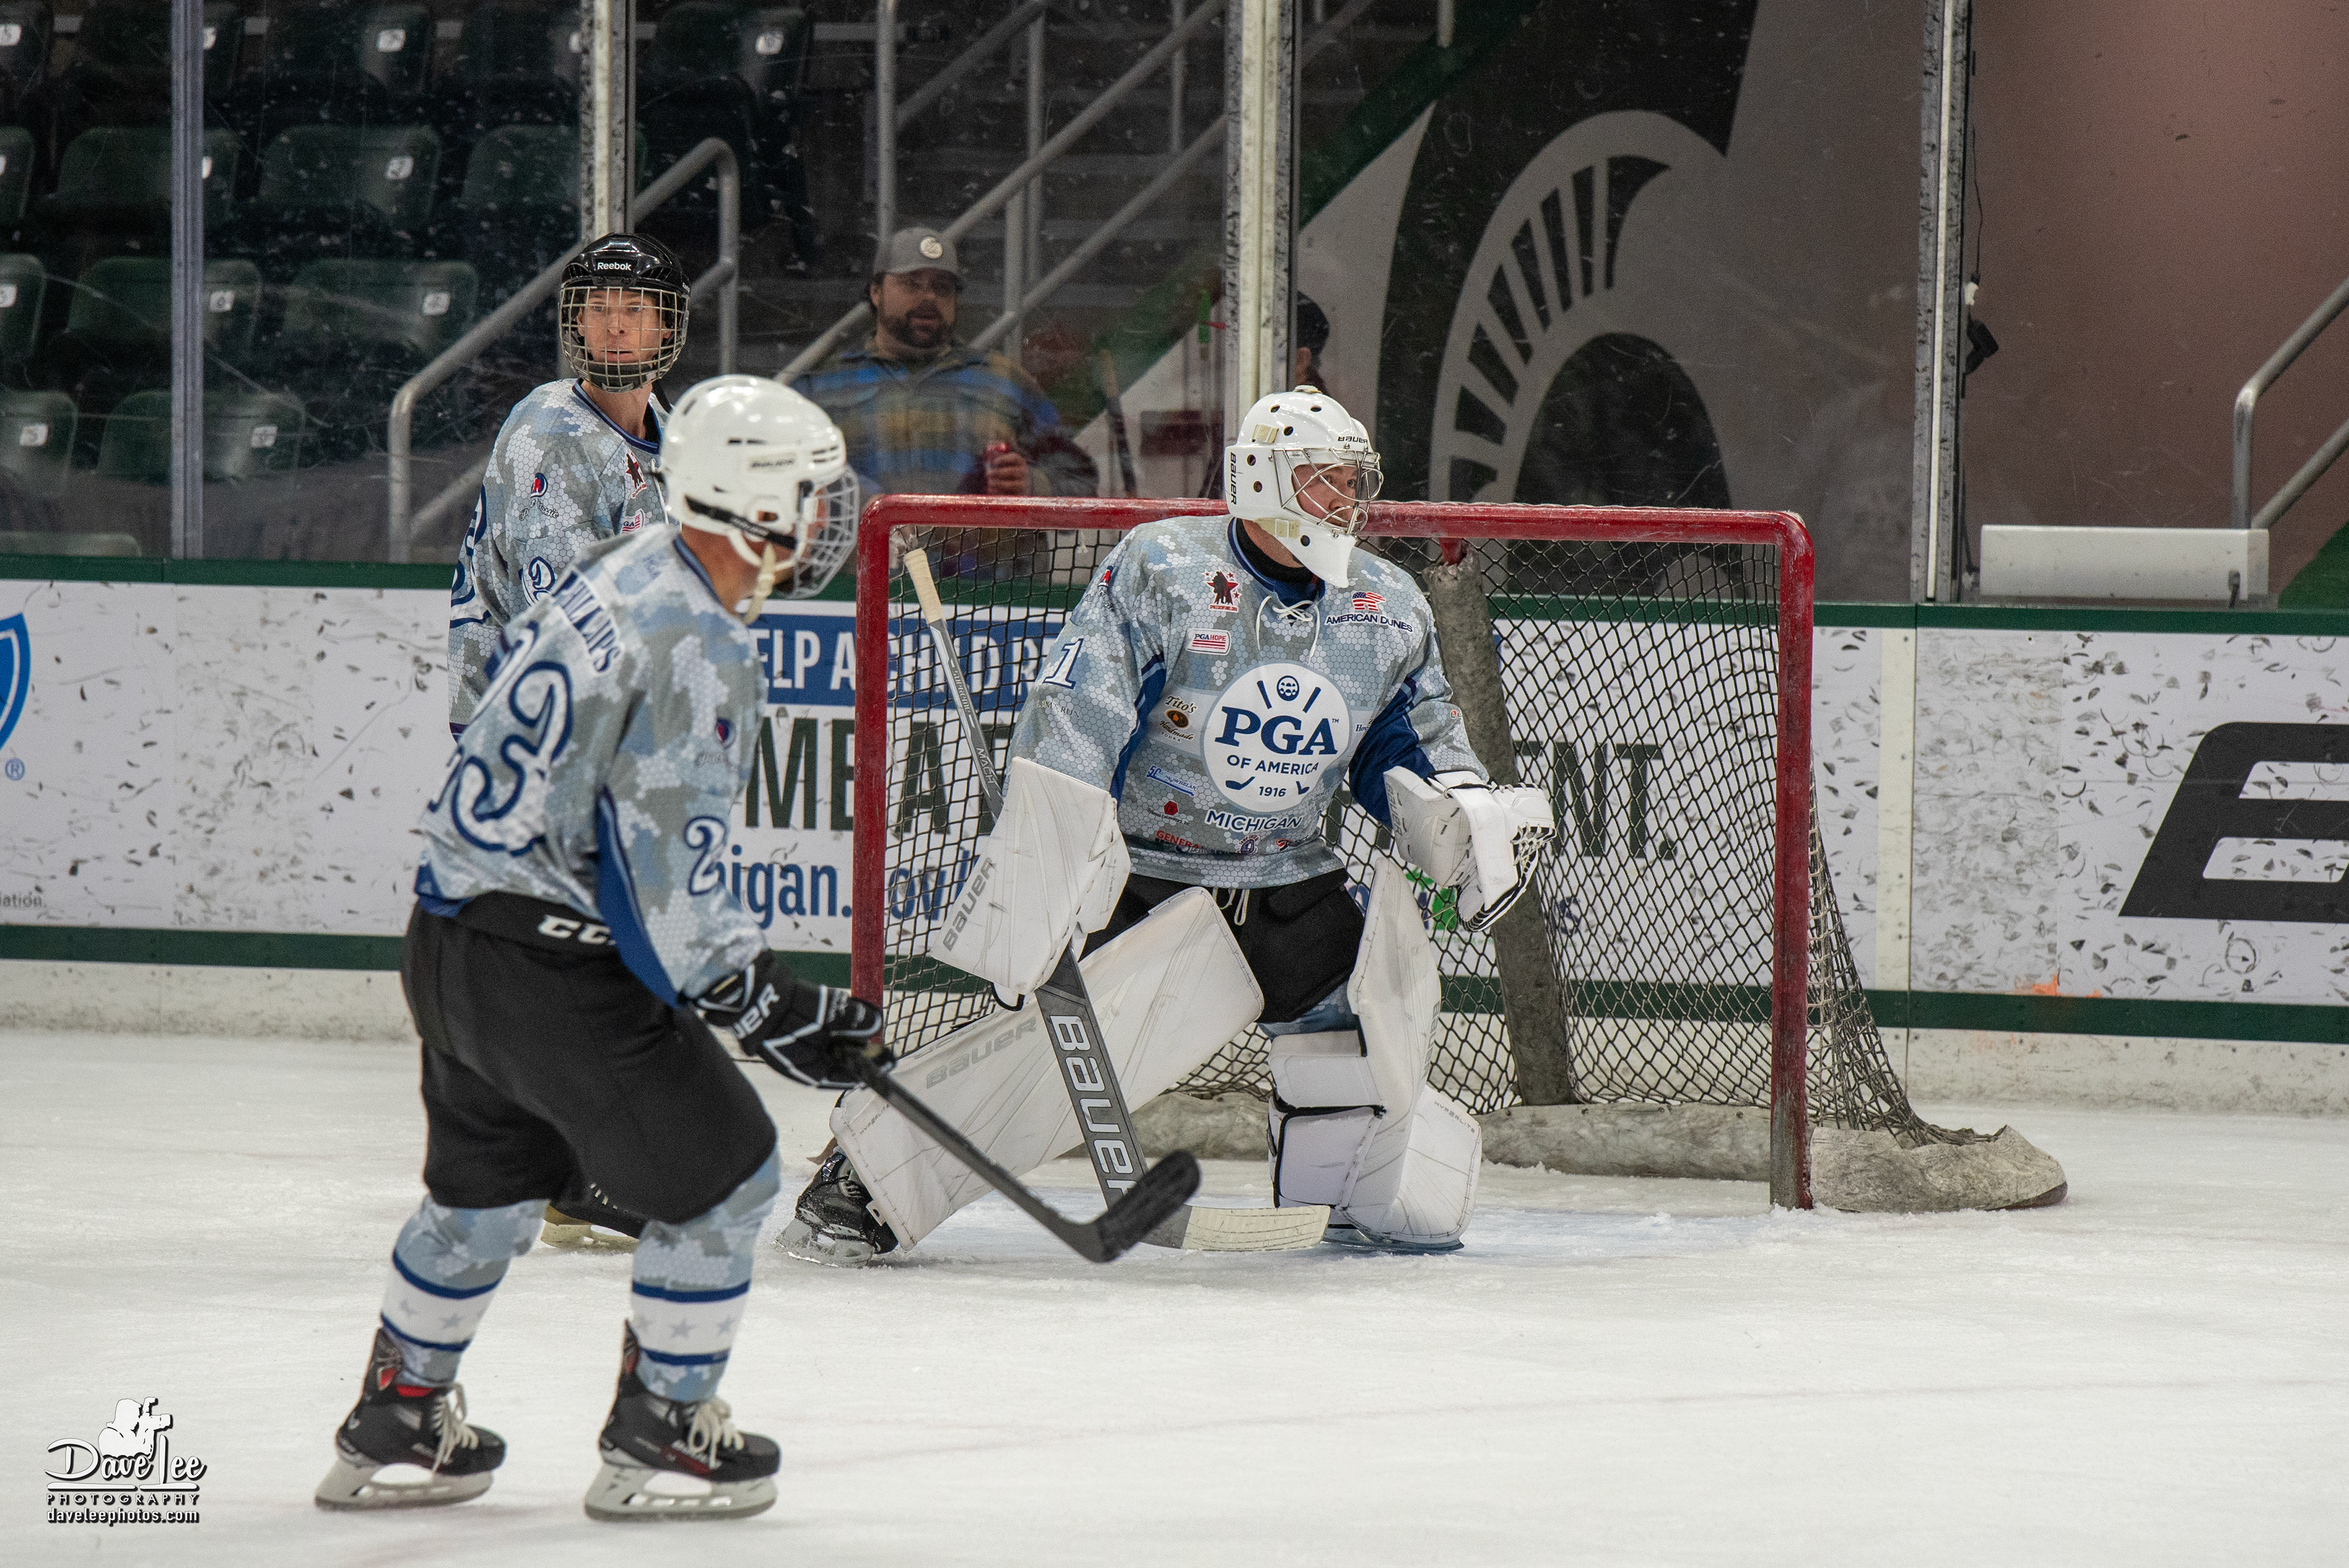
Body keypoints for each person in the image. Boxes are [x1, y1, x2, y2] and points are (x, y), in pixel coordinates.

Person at [778, 388, 1555, 1265]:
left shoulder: (1388, 603)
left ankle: (1344, 1196)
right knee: (1041, 1058)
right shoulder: (1166, 568)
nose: (1347, 499)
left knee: (1362, 1045)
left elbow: (1408, 740)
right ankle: (864, 1179)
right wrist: (1052, 866)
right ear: (1262, 479)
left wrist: (1461, 811)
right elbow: (1082, 714)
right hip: (1146, 873)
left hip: (1288, 878)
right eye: (1324, 478)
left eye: (1352, 480)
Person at [317, 376, 881, 1523]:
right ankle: (663, 1426)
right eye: (811, 494)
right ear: (755, 505)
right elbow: (665, 871)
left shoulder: (621, 570)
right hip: (545, 965)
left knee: (484, 1196)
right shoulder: (700, 643)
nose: (828, 517)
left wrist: (745, 993)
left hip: (449, 938)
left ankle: (399, 1410)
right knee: (730, 1176)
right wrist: (771, 1002)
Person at [447, 233, 688, 744]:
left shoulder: (664, 423)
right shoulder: (553, 437)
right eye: (598, 308)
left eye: (635, 309)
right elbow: (567, 632)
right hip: (533, 728)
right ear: (577, 321)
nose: (615, 325)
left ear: (666, 326)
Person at [791, 225, 1096, 506]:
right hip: (869, 552)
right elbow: (784, 484)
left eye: (942, 287)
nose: (929, 297)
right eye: (911, 284)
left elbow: (1082, 484)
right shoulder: (822, 387)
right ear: (876, 292)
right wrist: (855, 500)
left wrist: (1032, 484)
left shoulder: (1004, 381)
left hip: (982, 552)